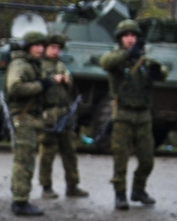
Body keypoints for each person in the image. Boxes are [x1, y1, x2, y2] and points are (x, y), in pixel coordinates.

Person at [100, 19, 168, 210]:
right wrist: (128, 54)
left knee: (147, 159)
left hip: (143, 115)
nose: (130, 39)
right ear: (120, 39)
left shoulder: (144, 60)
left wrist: (157, 71)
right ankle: (120, 194)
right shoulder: (116, 58)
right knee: (120, 158)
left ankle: (138, 189)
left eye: (133, 36)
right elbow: (105, 63)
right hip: (122, 114)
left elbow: (162, 73)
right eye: (126, 36)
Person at [5, 30, 53, 216]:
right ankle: (19, 201)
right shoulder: (20, 65)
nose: (40, 49)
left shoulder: (33, 65)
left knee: (27, 159)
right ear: (28, 47)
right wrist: (41, 85)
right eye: (36, 45)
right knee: (23, 160)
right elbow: (15, 87)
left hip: (30, 117)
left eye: (42, 45)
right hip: (23, 117)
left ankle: (21, 198)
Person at [38, 33, 88, 199]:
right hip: (49, 113)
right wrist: (52, 79)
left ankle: (72, 185)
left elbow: (71, 83)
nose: (55, 51)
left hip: (64, 113)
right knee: (47, 152)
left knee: (70, 152)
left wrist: (67, 80)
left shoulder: (61, 65)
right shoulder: (40, 66)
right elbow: (37, 85)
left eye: (58, 48)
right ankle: (46, 186)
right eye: (52, 47)